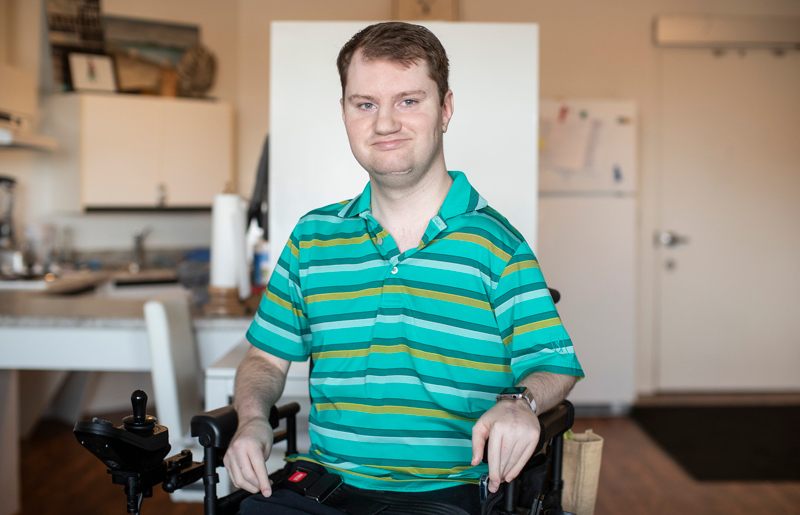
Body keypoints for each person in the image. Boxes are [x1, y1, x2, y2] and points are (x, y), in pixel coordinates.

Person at [224, 21, 584, 515]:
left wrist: (520, 405)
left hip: (454, 491)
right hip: (328, 489)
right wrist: (251, 421)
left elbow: (554, 364)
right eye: (365, 103)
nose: (385, 123)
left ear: (446, 110)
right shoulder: (312, 238)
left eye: (408, 101)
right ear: (345, 113)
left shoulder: (496, 245)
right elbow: (265, 360)